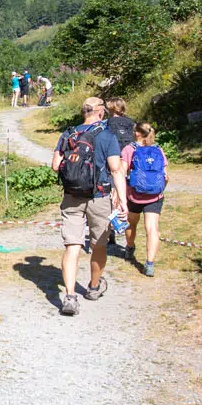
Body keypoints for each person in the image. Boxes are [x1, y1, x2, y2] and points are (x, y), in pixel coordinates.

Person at [50, 97, 128, 316]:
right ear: (101, 113)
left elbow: (55, 165)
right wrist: (122, 200)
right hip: (99, 197)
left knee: (72, 246)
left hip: (72, 196)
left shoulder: (68, 134)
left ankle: (70, 297)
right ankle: (94, 287)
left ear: (83, 112)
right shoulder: (107, 135)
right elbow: (116, 169)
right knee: (98, 245)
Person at [121, 121, 168, 278]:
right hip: (155, 197)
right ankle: (149, 264)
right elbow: (166, 176)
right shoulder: (158, 149)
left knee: (131, 224)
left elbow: (121, 173)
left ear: (137, 133)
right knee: (152, 228)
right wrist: (159, 190)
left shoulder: (129, 149)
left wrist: (119, 194)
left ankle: (129, 248)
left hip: (134, 196)